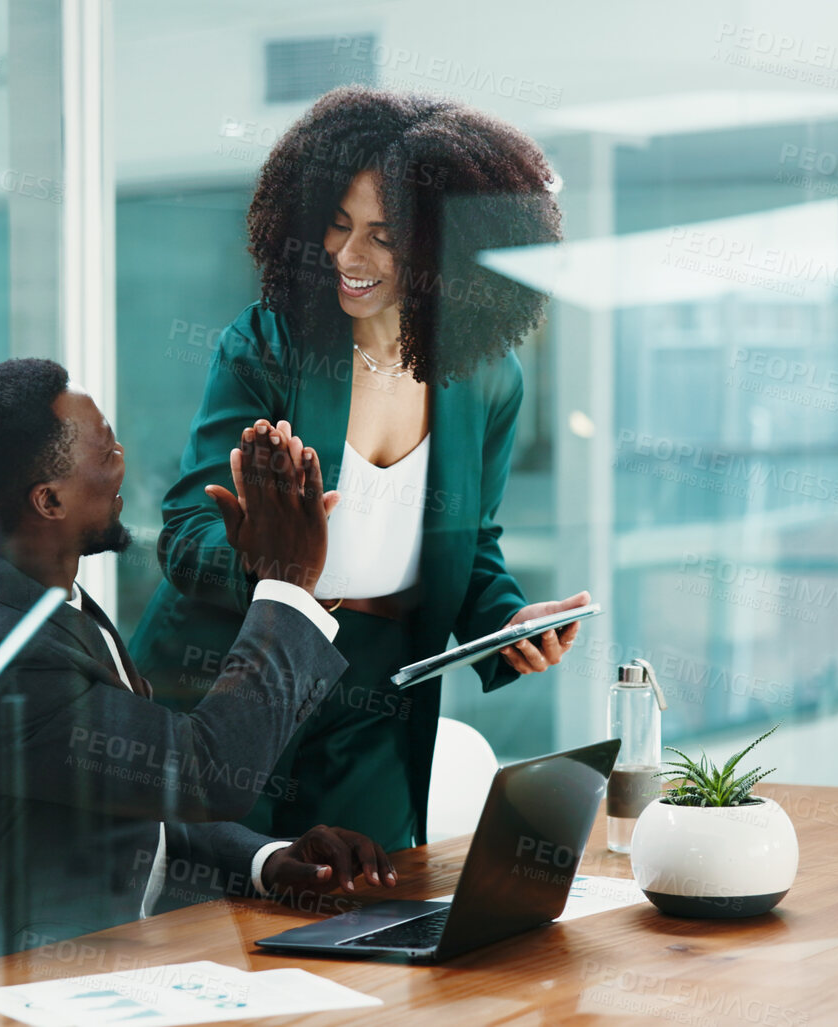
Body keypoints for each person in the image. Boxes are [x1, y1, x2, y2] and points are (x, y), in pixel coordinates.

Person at [128, 86, 590, 854]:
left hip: (380, 696)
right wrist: (268, 568)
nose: (348, 256)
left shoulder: (488, 378)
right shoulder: (268, 346)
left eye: (383, 236)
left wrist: (503, 625)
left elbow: (471, 545)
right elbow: (184, 531)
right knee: (208, 923)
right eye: (337, 225)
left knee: (367, 921)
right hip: (236, 680)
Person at [0, 358, 395, 977]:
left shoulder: (44, 605)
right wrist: (286, 583)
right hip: (10, 992)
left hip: (118, 960)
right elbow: (211, 772)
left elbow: (142, 791)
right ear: (48, 500)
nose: (122, 458)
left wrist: (271, 861)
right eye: (105, 450)